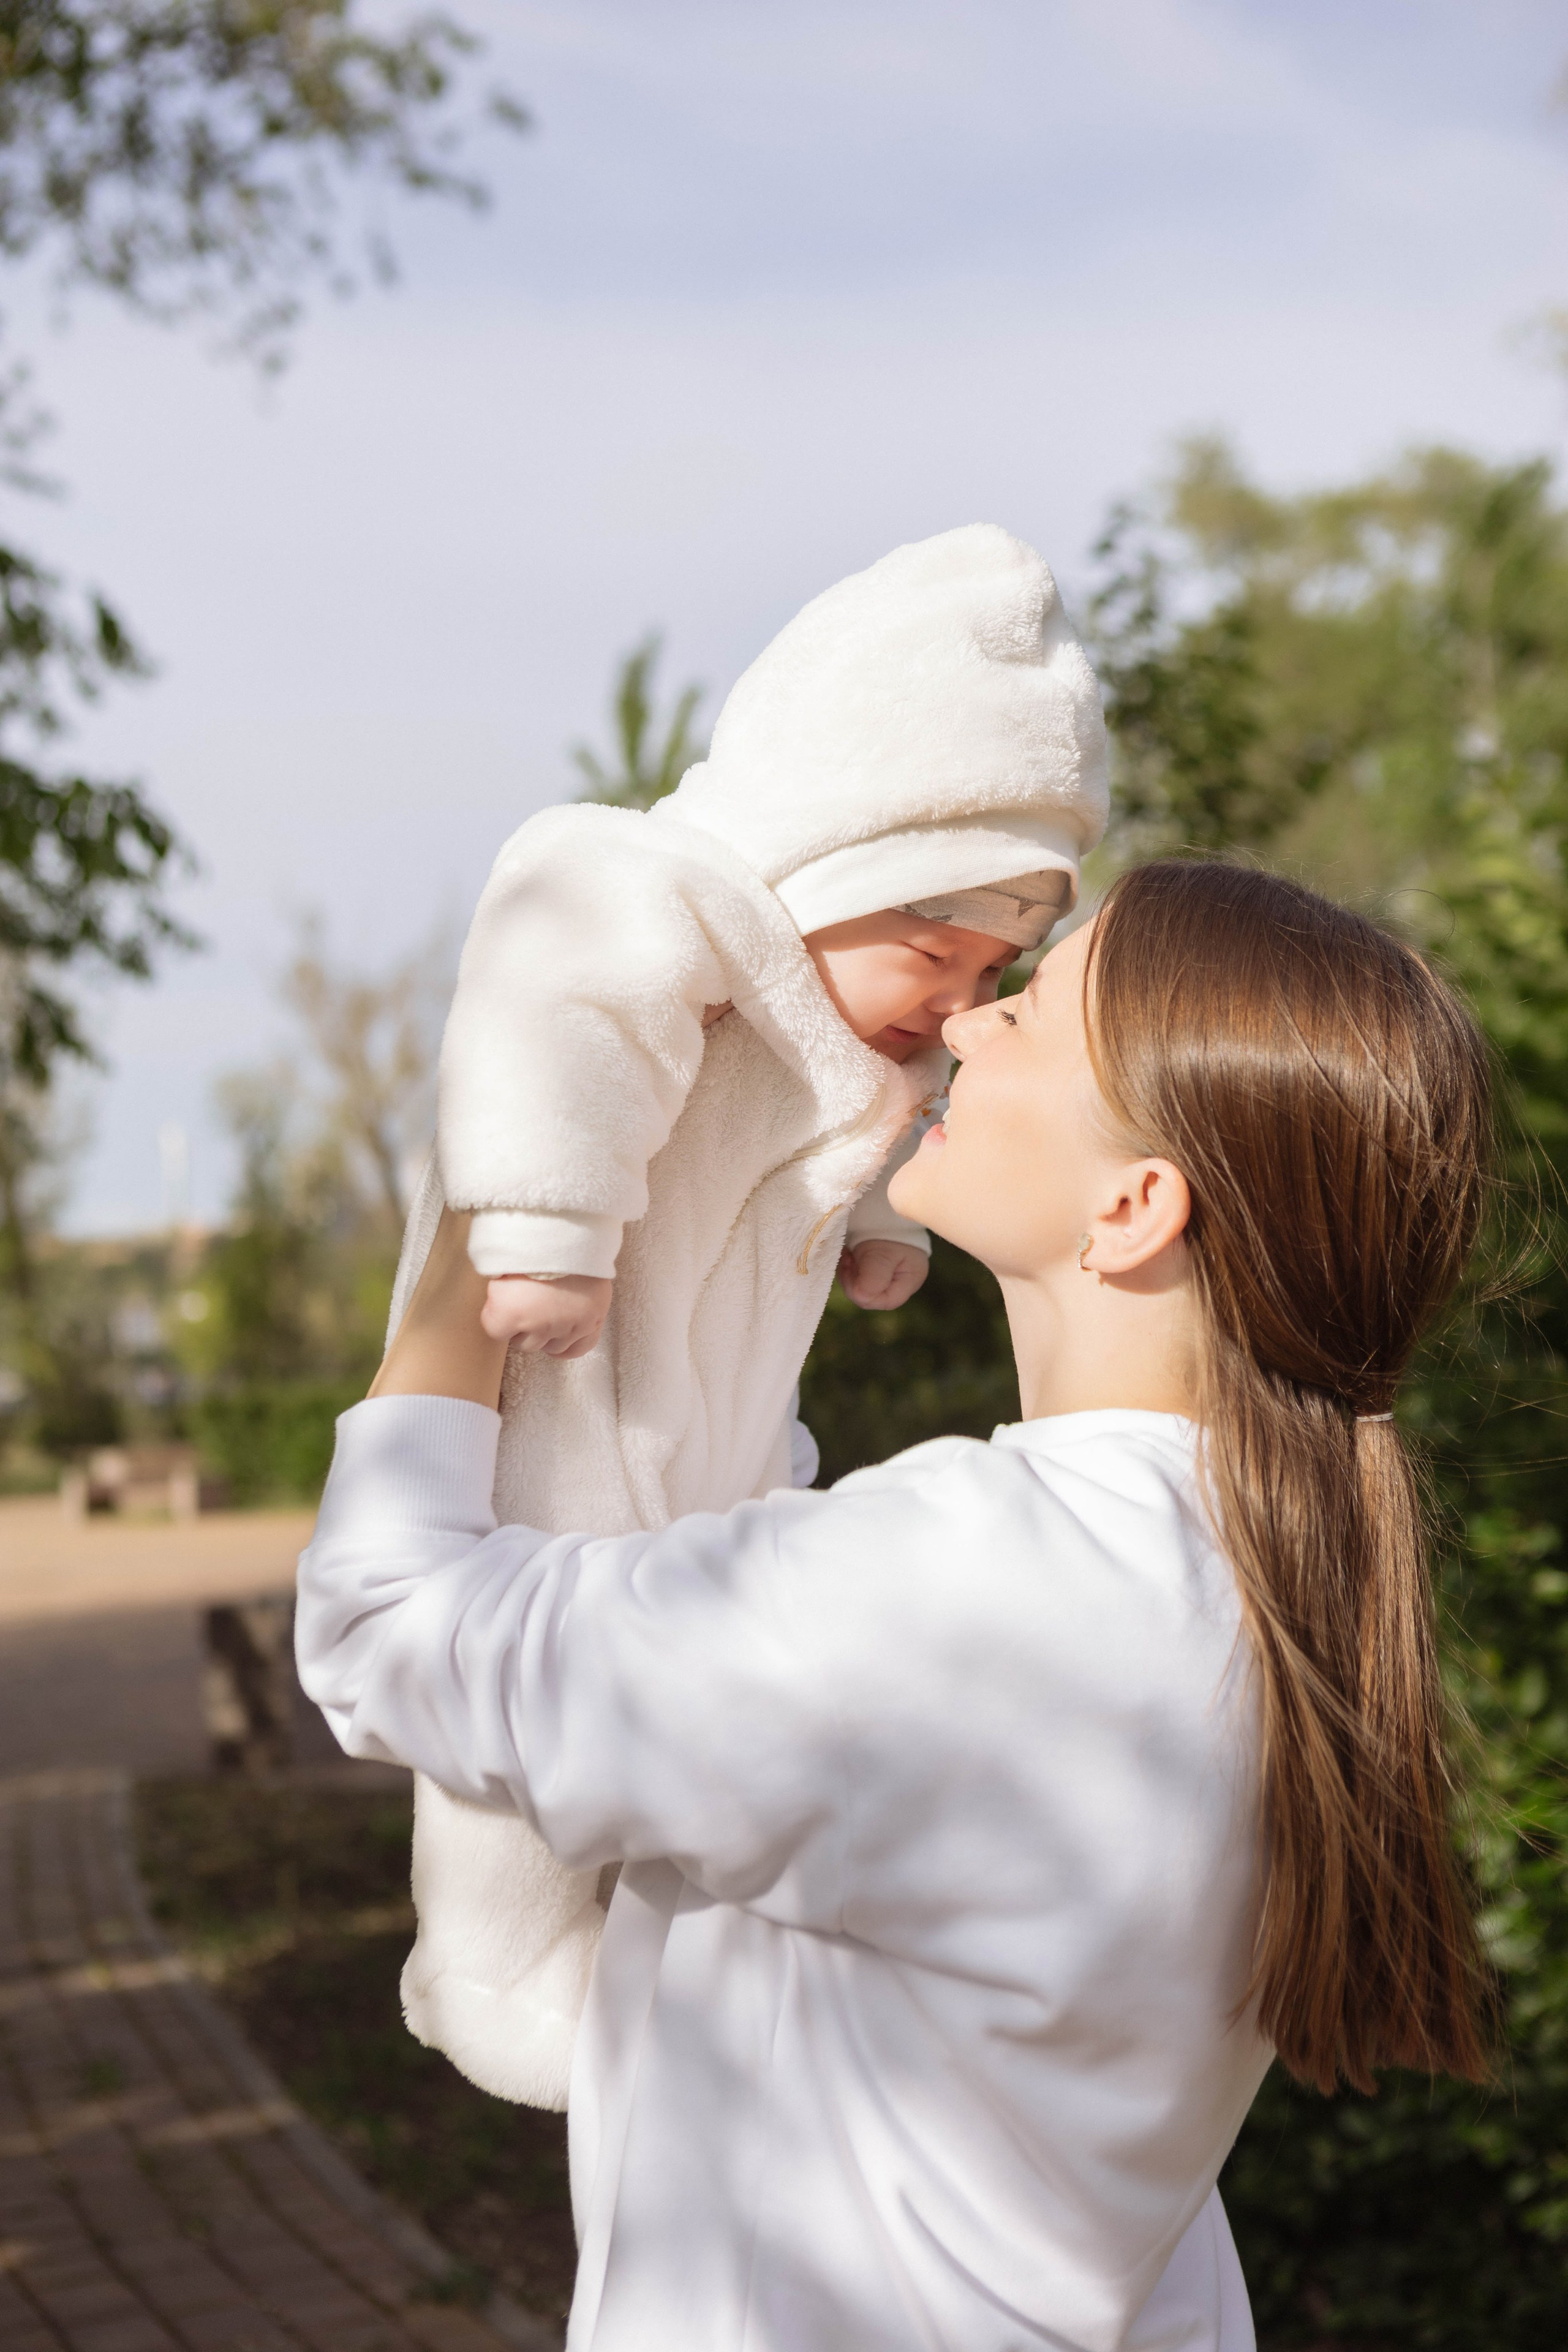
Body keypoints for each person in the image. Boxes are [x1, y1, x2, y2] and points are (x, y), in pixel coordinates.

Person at [298, 860, 1494, 2352]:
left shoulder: (968, 1594)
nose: (972, 1024)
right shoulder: (1262, 1585)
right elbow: (757, 1617)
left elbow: (387, 1625)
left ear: (1131, 1206)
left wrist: (488, 1204)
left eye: (1037, 1009)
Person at [391, 522, 1108, 2105]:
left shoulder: (861, 1017)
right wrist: (547, 1226)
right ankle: (485, 1953)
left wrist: (872, 1226)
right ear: (830, 868)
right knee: (524, 1657)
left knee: (664, 1655)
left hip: (715, 1419)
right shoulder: (644, 891)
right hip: (564, 1376)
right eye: (940, 945)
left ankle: (635, 1934)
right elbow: (546, 1017)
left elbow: (861, 1114)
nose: (959, 997)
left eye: (1004, 960)